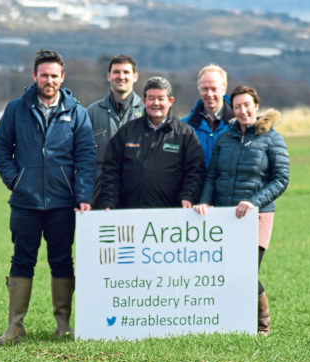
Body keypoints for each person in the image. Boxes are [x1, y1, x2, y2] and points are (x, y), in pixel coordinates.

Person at [0, 49, 96, 346]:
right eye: (43, 75)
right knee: (22, 261)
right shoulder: (16, 109)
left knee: (62, 261)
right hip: (25, 202)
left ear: (62, 78)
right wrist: (15, 180)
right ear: (34, 76)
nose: (48, 80)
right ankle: (14, 326)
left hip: (63, 203)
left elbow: (86, 157)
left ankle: (63, 325)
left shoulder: (77, 113)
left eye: (54, 75)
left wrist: (83, 195)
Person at [193, 85, 289, 335]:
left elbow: (281, 179)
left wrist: (254, 201)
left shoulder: (272, 138)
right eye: (237, 106)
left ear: (256, 106)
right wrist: (205, 200)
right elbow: (212, 175)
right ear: (232, 110)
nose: (243, 110)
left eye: (247, 105)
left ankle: (261, 325)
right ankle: (230, 322)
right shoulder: (225, 138)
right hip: (226, 216)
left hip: (258, 215)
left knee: (246, 271)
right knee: (225, 271)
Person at [99, 76, 205, 209]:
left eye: (161, 98)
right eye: (151, 98)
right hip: (128, 211)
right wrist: (109, 201)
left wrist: (188, 196)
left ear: (170, 101)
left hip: (169, 215)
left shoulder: (185, 134)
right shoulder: (127, 131)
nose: (156, 103)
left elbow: (195, 171)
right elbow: (111, 170)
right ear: (144, 101)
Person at [87, 54, 144, 208]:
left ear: (135, 77)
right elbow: (81, 156)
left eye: (126, 72)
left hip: (136, 196)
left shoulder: (147, 112)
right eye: (116, 72)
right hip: (99, 195)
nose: (121, 77)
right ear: (109, 76)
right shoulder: (92, 112)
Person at [182, 64, 234, 169]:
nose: (209, 94)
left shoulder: (237, 125)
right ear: (199, 89)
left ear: (224, 89)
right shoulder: (184, 127)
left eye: (214, 89)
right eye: (205, 88)